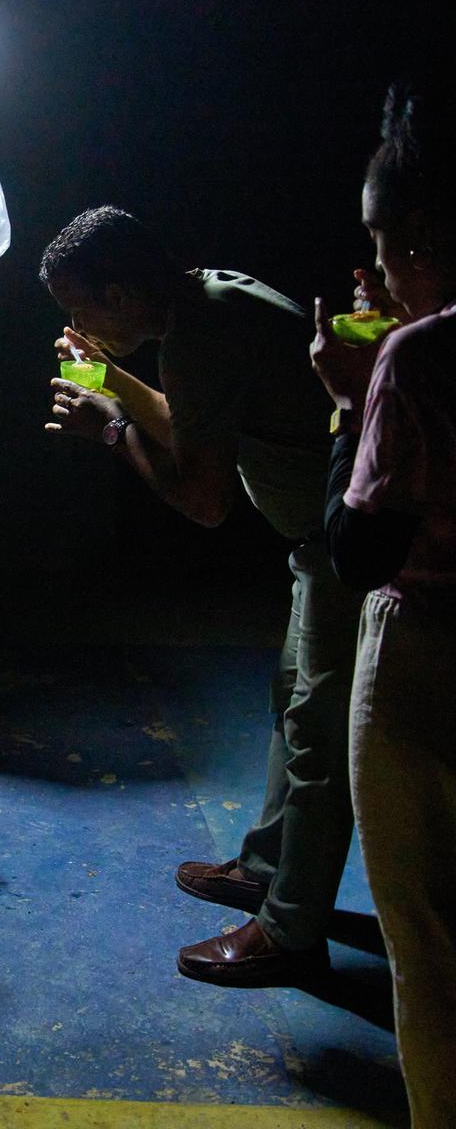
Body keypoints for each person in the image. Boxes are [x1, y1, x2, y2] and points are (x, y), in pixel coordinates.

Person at [40, 207, 366, 987]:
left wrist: (114, 432)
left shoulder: (201, 334)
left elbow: (204, 498)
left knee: (320, 744)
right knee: (293, 698)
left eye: (82, 309)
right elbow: (195, 425)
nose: (77, 325)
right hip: (320, 545)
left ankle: (290, 933)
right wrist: (115, 378)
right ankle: (264, 869)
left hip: (349, 551)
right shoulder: (206, 299)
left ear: (119, 293)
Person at [310, 77, 456, 1127]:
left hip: (426, 650)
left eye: (379, 244)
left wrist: (351, 407)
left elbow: (358, 550)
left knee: (424, 935)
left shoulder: (419, 355)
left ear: (415, 237)